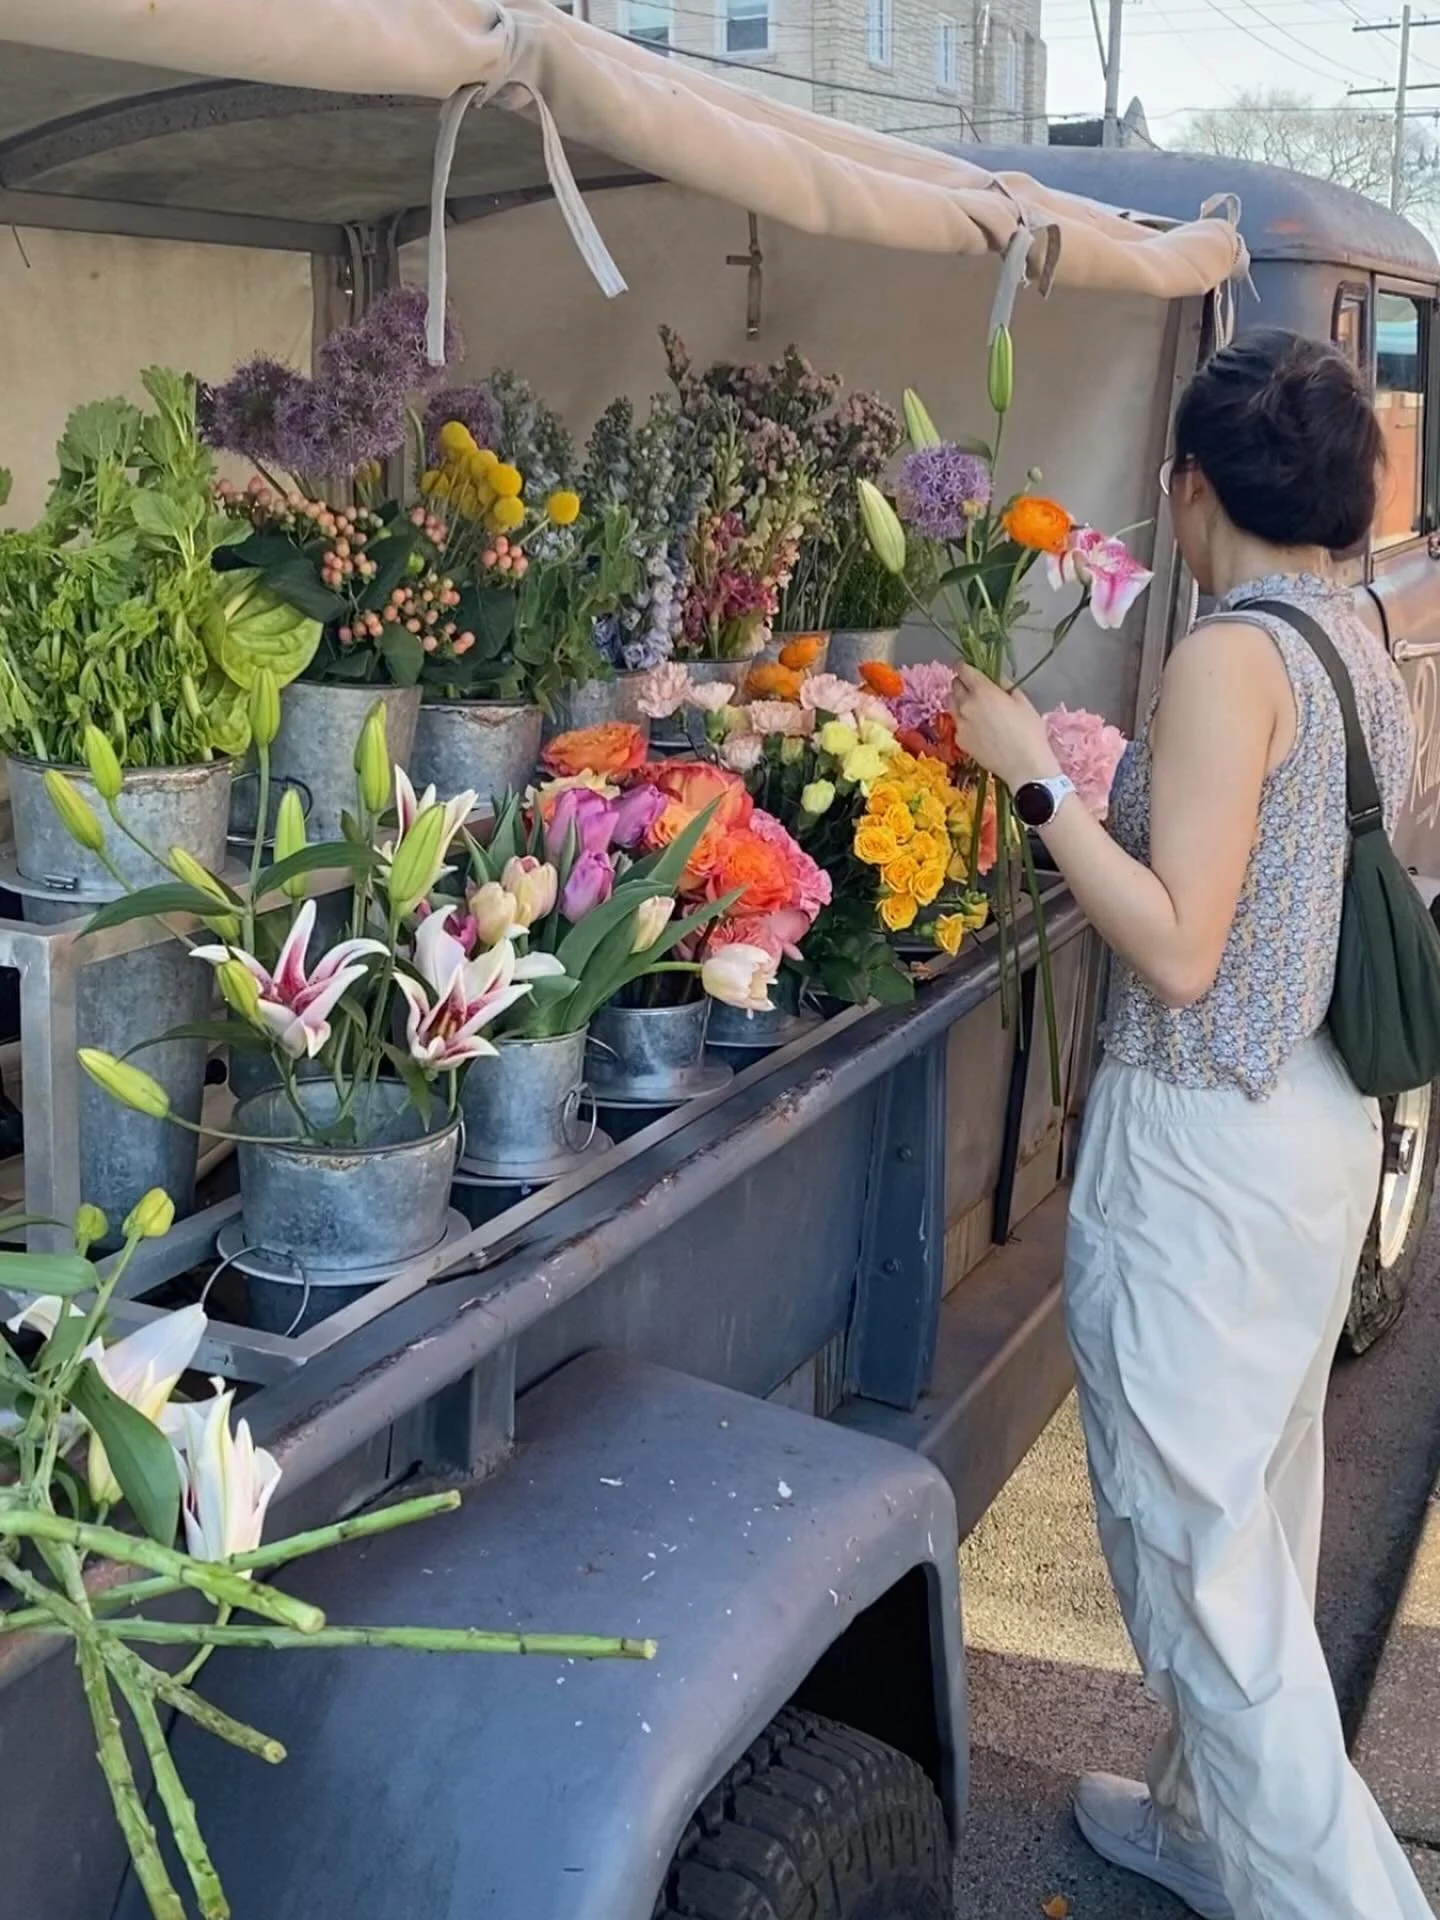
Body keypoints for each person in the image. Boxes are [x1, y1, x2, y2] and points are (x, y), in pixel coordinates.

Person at [948, 328, 1432, 1920]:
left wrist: (1035, 783)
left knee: (1201, 1570)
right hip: (1312, 1123)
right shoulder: (1354, 632)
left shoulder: (1231, 653)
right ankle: (1207, 1830)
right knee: (1257, 1516)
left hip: (1211, 1134)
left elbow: (1177, 942)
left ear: (1195, 486)